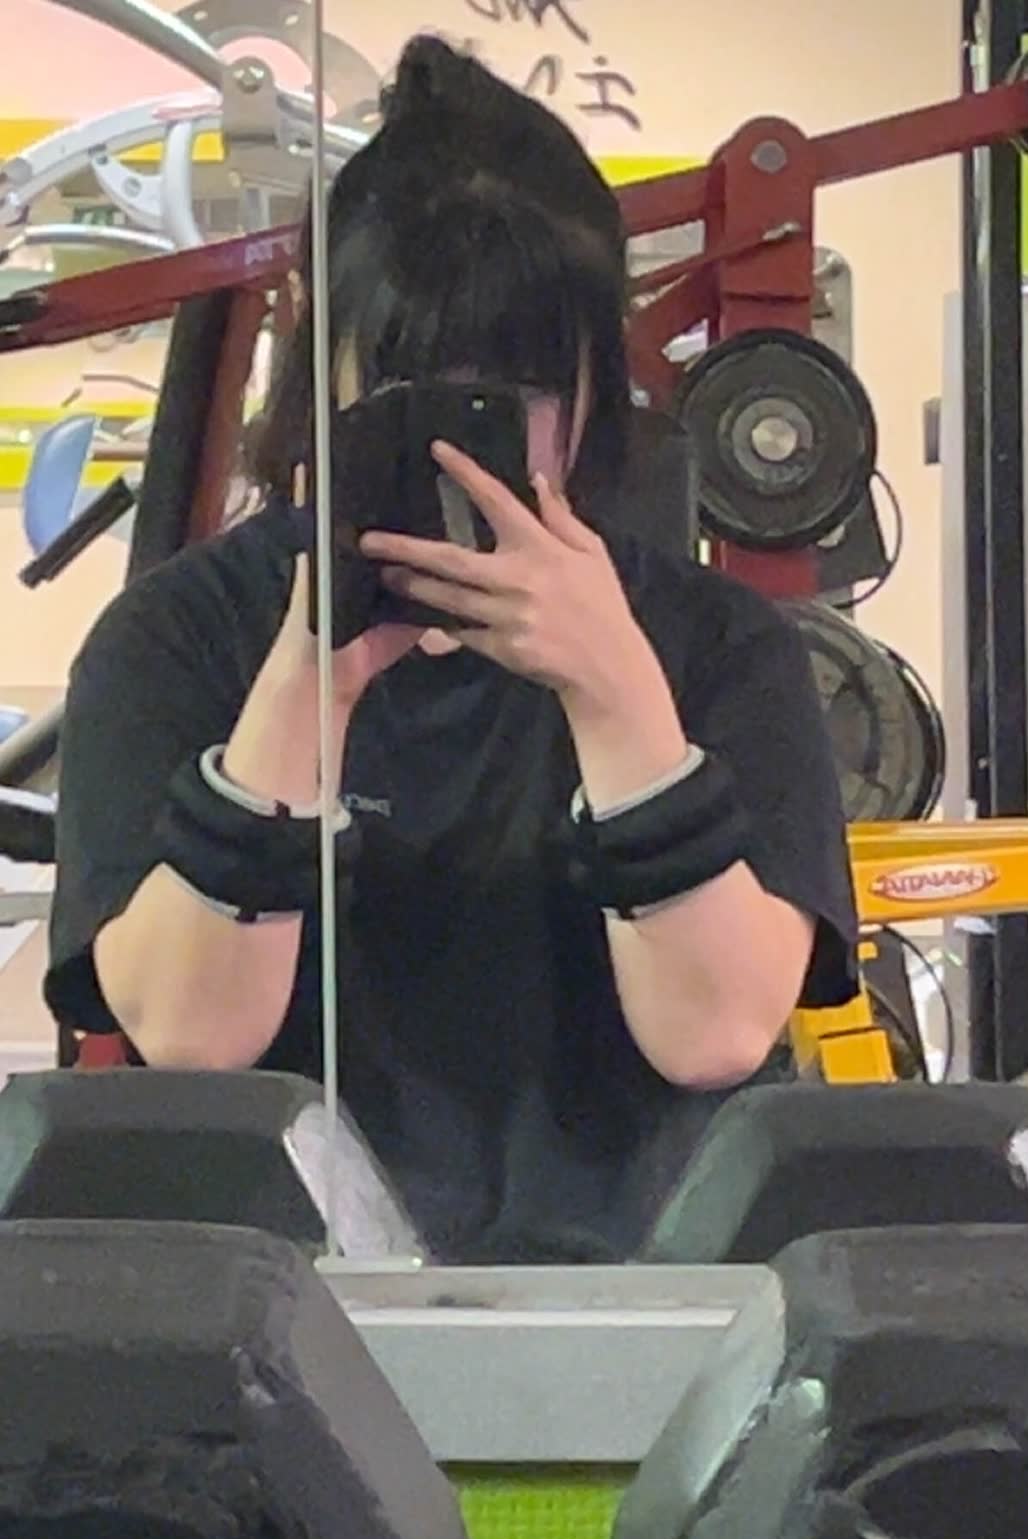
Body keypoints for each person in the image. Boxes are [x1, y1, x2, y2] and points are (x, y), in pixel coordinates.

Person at [46, 35, 859, 1264]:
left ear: (597, 380)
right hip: (282, 1299)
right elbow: (191, 1037)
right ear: (324, 365)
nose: (460, 436)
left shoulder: (717, 646)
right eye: (411, 384)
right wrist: (306, 683)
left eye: (518, 390)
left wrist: (616, 697)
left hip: (644, 1295)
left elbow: (714, 1036)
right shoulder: (180, 636)